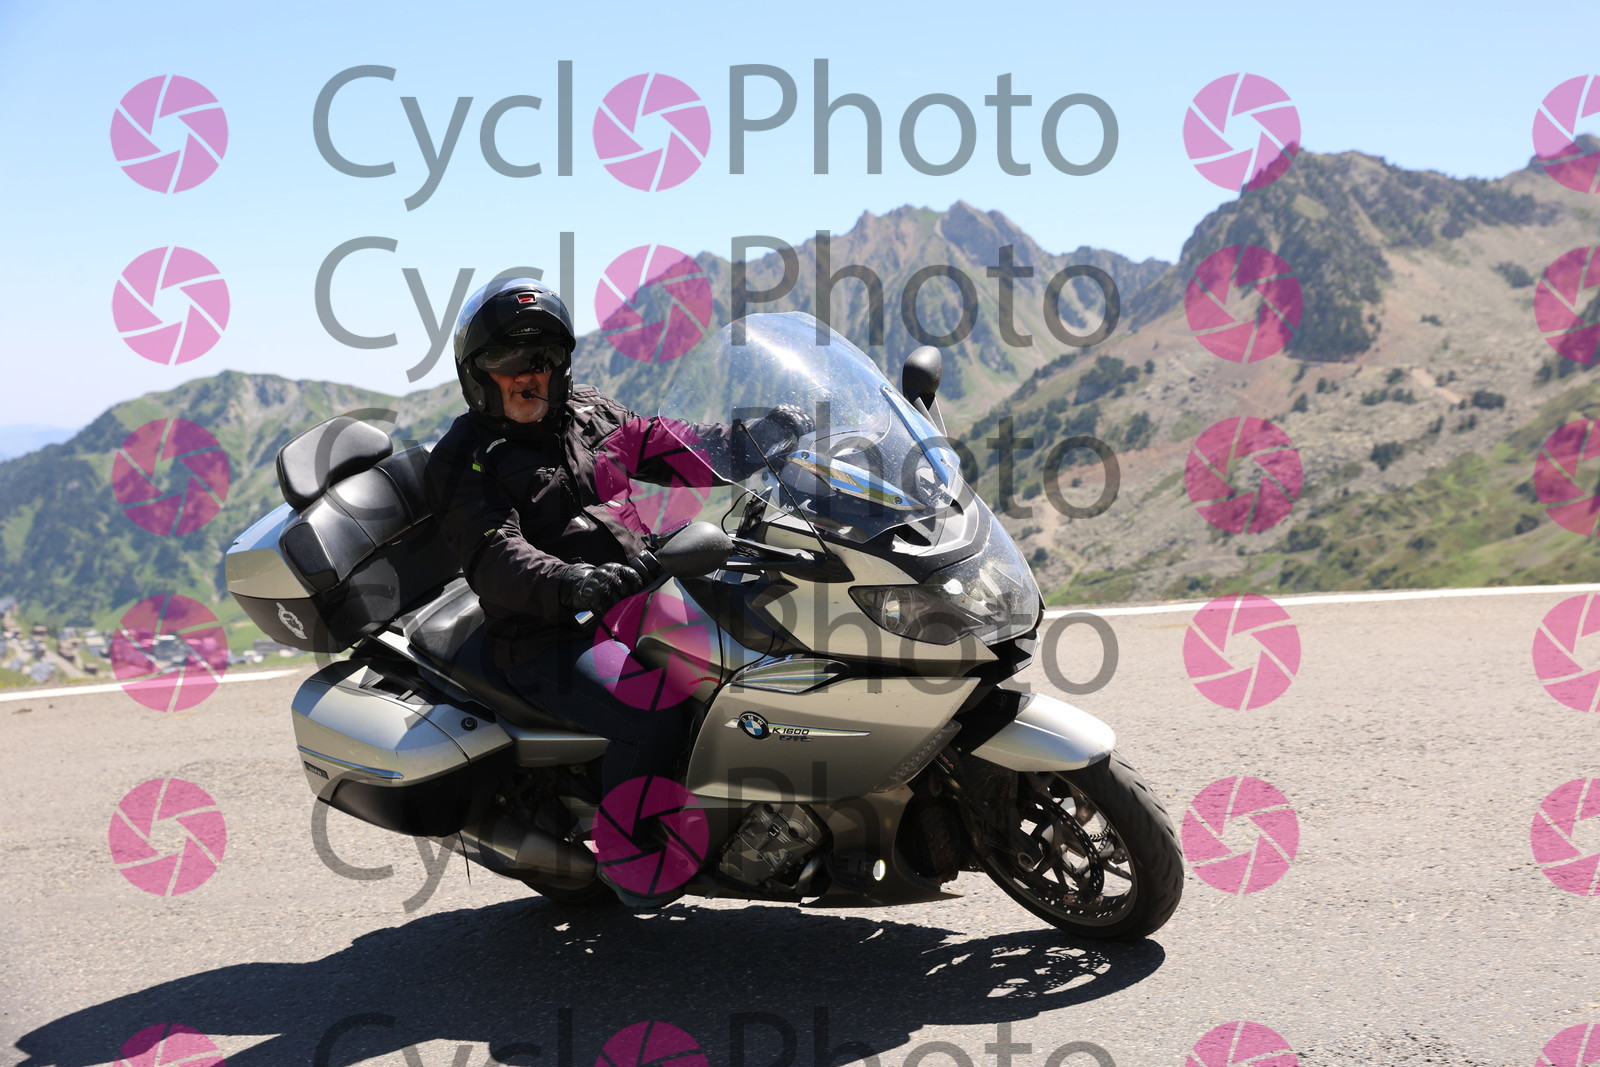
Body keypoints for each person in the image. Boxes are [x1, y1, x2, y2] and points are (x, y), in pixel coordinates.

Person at [423, 277, 809, 802]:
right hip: (552, 635)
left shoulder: (590, 413)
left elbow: (674, 446)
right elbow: (494, 552)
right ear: (476, 373)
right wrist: (572, 582)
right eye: (505, 360)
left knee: (755, 660)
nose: (527, 374)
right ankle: (632, 844)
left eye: (542, 356)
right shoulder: (462, 458)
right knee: (652, 716)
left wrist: (754, 442)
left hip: (643, 597)